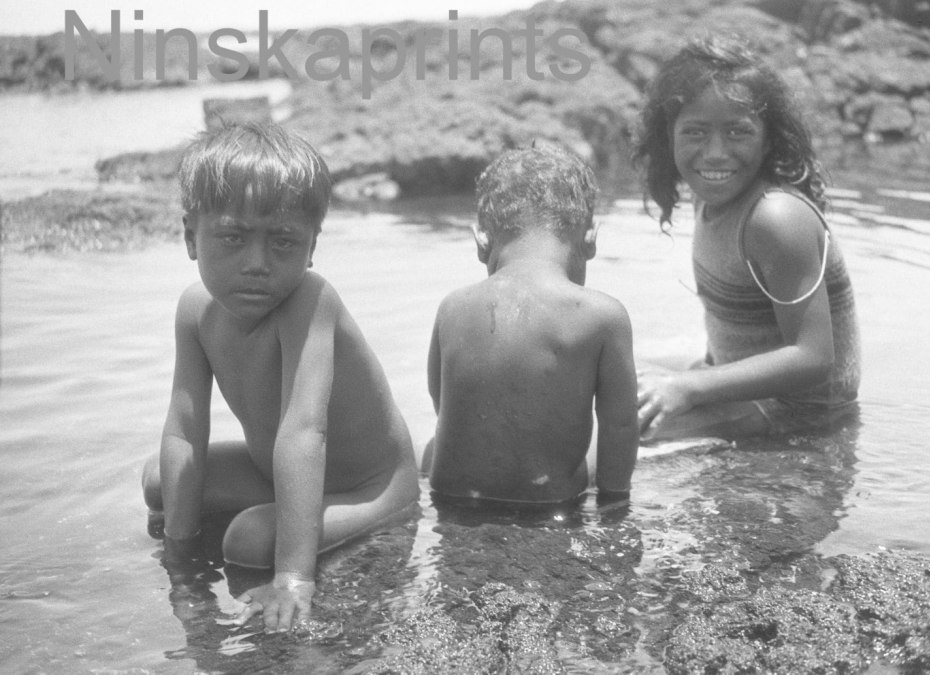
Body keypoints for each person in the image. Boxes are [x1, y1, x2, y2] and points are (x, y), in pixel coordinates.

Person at [141, 122, 419, 632]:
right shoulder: (194, 312)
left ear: (312, 247)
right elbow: (184, 431)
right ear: (189, 236)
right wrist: (179, 560)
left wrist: (294, 578)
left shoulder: (310, 302)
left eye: (283, 243)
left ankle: (288, 551)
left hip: (370, 487)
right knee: (161, 481)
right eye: (232, 237)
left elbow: (303, 431)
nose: (257, 264)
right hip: (272, 470)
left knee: (247, 541)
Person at [633, 36, 860, 442]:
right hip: (743, 389)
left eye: (738, 132)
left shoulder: (775, 217)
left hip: (794, 412)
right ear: (669, 137)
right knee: (610, 370)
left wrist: (685, 387)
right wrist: (688, 377)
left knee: (607, 438)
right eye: (696, 132)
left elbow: (814, 358)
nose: (716, 153)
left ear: (768, 138)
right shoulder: (713, 201)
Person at [424, 142, 639, 507]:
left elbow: (442, 403)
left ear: (481, 243)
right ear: (591, 239)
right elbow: (620, 425)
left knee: (427, 446)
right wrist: (614, 502)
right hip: (551, 505)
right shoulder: (603, 315)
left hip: (453, 501)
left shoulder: (452, 307)